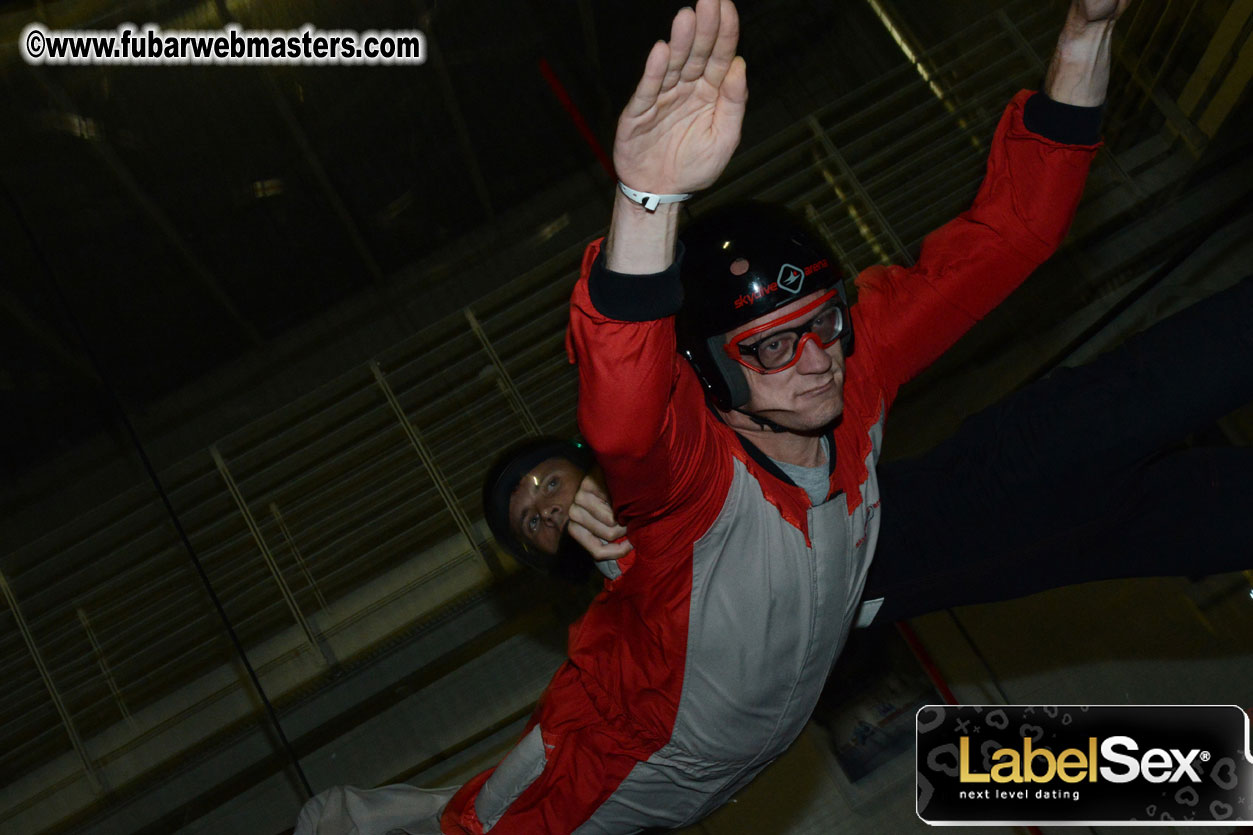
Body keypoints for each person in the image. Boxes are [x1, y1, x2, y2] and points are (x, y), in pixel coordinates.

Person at [297, 0, 1148, 831]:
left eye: (821, 322)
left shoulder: (851, 367)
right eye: (772, 348)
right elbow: (628, 422)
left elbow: (1012, 233)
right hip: (610, 771)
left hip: (726, 766)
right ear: (708, 370)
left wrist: (1084, 33)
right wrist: (647, 202)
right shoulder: (691, 486)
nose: (815, 358)